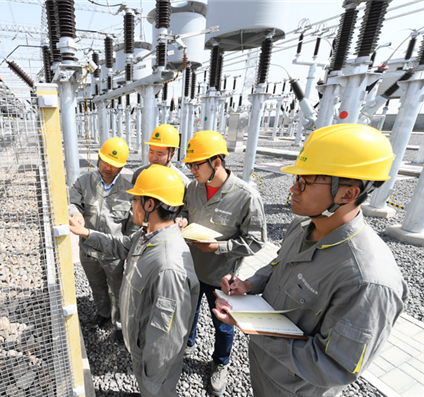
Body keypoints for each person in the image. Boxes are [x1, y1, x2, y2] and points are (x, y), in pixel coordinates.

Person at [213, 124, 409, 397]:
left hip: (294, 389)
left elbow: (333, 367)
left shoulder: (367, 281)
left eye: (304, 181)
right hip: (264, 368)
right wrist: (249, 284)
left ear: (347, 194)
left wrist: (250, 324)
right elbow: (279, 265)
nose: (293, 188)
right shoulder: (303, 226)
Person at [69, 165, 200, 397]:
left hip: (155, 370)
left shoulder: (168, 267)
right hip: (140, 349)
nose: (132, 205)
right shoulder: (146, 235)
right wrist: (87, 233)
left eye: (136, 200)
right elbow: (119, 246)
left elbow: (165, 340)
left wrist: (151, 384)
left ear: (150, 205)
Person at [179, 130, 267, 396]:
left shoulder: (246, 196)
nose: (192, 170)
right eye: (189, 165)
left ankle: (221, 363)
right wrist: (182, 219)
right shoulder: (192, 188)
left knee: (223, 325)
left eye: (197, 164)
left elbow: (257, 242)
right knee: (188, 313)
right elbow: (184, 210)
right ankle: (187, 345)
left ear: (217, 162)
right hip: (190, 270)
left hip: (221, 277)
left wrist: (220, 247)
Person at [68, 137, 137, 341]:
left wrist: (126, 250)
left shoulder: (129, 191)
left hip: (112, 252)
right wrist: (76, 213)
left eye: (114, 165)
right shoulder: (84, 182)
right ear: (98, 158)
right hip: (88, 249)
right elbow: (73, 202)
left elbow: (132, 226)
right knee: (96, 285)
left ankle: (118, 324)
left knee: (117, 290)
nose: (108, 167)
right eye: (105, 161)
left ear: (122, 166)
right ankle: (103, 314)